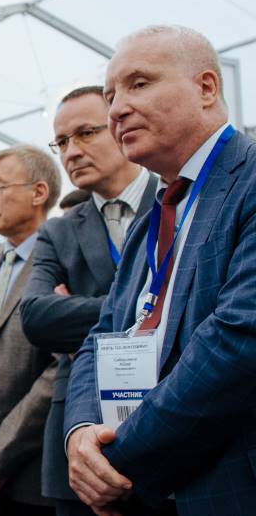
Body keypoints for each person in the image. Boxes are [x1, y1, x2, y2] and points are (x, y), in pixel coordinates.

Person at [64, 25, 256, 516]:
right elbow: (103, 334)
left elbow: (238, 342)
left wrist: (117, 458)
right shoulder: (154, 215)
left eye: (139, 83)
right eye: (111, 95)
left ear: (206, 88)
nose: (115, 110)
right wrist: (81, 433)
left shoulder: (249, 180)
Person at [20, 85, 157, 516]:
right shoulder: (58, 231)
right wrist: (155, 309)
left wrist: (78, 308)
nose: (72, 151)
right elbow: (36, 317)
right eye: (61, 141)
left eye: (85, 133)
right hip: (81, 427)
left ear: (119, 125)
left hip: (172, 422)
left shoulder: (176, 201)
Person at [0, 145, 60, 515]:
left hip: (33, 467)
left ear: (39, 193)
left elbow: (61, 366)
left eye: (0, 187)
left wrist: (3, 450)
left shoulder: (62, 261)